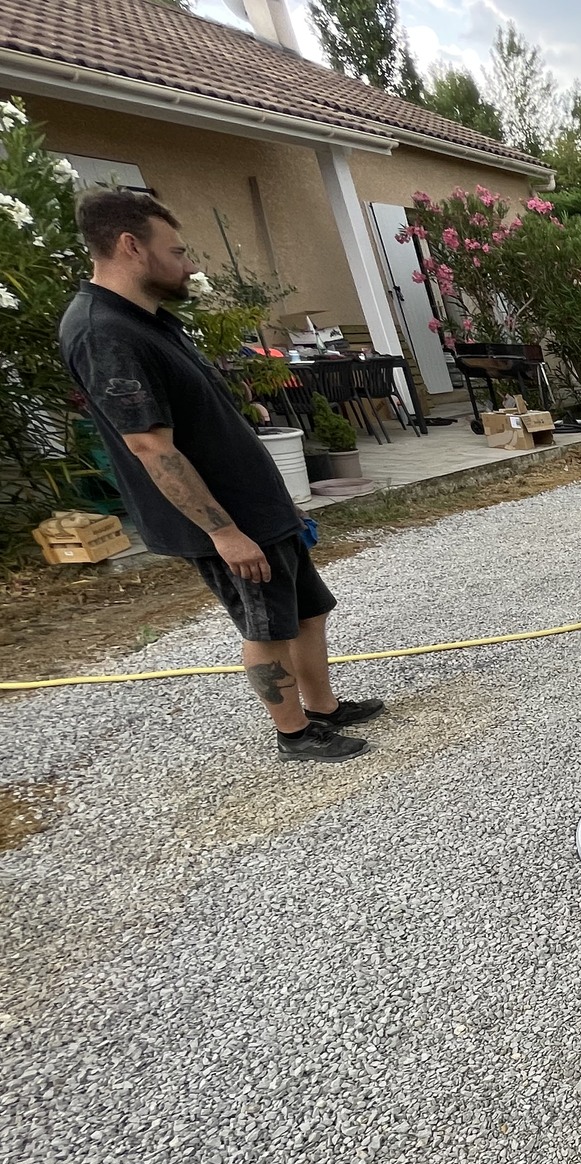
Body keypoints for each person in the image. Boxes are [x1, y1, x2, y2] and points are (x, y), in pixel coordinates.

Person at [60, 189, 381, 761]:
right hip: (227, 519)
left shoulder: (150, 321)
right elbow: (148, 446)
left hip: (258, 505)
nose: (189, 266)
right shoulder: (103, 332)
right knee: (266, 626)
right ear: (132, 247)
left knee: (307, 609)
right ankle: (293, 733)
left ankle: (324, 708)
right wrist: (224, 533)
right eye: (177, 252)